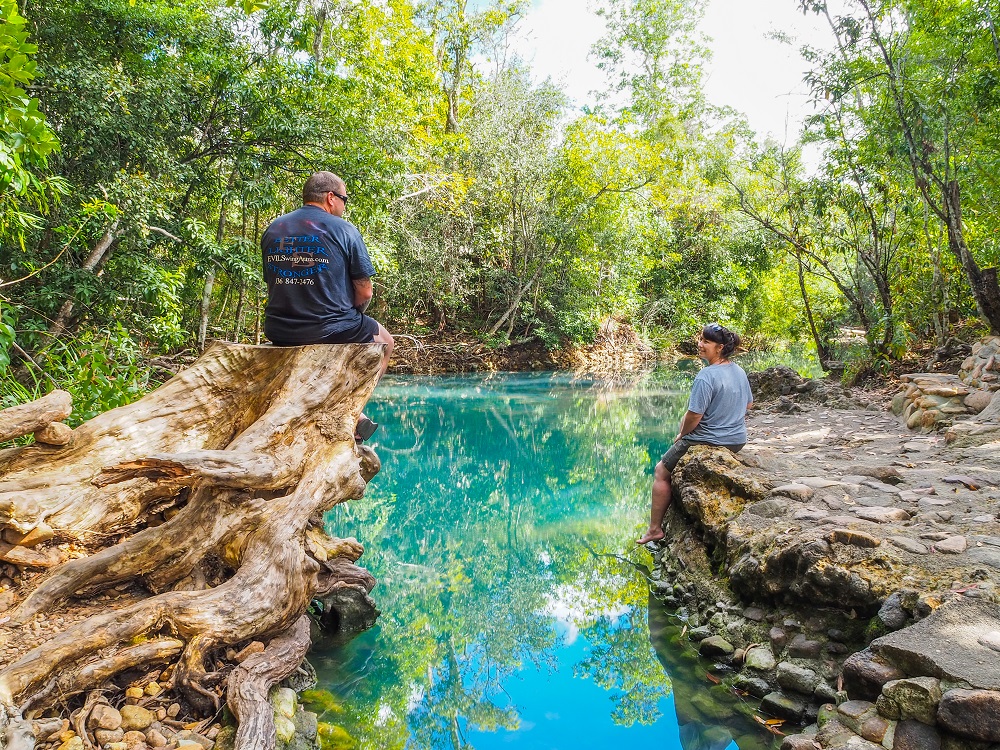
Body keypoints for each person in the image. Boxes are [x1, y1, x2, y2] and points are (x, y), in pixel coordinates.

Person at [261, 171, 394, 439]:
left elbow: (274, 281)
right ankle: (352, 409)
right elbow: (365, 291)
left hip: (279, 329)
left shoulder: (275, 228)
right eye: (344, 199)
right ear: (331, 198)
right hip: (327, 328)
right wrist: (354, 314)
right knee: (386, 343)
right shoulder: (344, 230)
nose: (344, 207)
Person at [637, 323, 753, 544]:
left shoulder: (706, 376)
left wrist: (682, 434)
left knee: (661, 470)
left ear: (719, 348)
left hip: (708, 439)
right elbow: (748, 405)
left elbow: (694, 416)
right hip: (738, 440)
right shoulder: (738, 371)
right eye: (700, 339)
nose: (700, 344)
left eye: (706, 342)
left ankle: (654, 530)